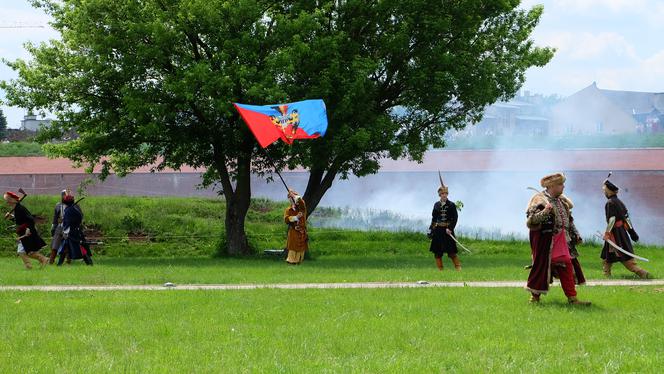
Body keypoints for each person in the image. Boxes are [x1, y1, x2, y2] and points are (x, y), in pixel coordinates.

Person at [525, 173, 590, 305]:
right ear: (551, 186)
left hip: (563, 241)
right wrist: (545, 212)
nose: (563, 186)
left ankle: (573, 298)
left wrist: (575, 234)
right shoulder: (539, 200)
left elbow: (569, 221)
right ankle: (534, 298)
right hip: (547, 242)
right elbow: (531, 221)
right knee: (541, 269)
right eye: (560, 184)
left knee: (567, 267)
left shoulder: (562, 202)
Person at [601, 178, 649, 279]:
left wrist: (607, 233)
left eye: (605, 190)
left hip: (615, 234)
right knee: (607, 255)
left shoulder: (610, 203)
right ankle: (606, 275)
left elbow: (612, 219)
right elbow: (626, 219)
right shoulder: (620, 202)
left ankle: (642, 273)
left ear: (609, 191)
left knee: (624, 258)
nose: (604, 192)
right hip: (620, 232)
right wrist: (632, 233)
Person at [4, 191, 48, 269]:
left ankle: (39, 261)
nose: (7, 203)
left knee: (25, 251)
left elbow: (30, 219)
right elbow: (20, 221)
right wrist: (11, 217)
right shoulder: (17, 209)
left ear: (12, 200)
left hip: (27, 232)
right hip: (24, 232)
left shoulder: (19, 208)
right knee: (26, 251)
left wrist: (28, 229)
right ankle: (34, 263)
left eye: (8, 201)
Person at [428, 173, 460, 271]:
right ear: (439, 195)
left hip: (447, 231)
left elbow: (455, 218)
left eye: (445, 193)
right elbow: (434, 218)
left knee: (451, 252)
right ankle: (440, 270)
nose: (444, 195)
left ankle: (458, 268)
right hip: (438, 231)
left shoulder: (451, 205)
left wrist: (450, 228)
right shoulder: (436, 205)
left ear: (447, 194)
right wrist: (431, 230)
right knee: (437, 252)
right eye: (442, 194)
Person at [57, 193, 93, 266]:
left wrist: (65, 231)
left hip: (72, 232)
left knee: (80, 248)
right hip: (75, 231)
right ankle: (59, 264)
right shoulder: (73, 209)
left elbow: (68, 222)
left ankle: (89, 263)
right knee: (64, 248)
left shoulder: (70, 210)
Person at [284, 189, 307, 265]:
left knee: (300, 250)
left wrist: (294, 195)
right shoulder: (288, 210)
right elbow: (286, 220)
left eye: (293, 198)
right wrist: (296, 217)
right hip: (293, 232)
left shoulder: (301, 208)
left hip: (301, 232)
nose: (292, 200)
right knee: (293, 248)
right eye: (290, 198)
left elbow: (301, 202)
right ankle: (291, 262)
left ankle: (298, 262)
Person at [49, 189, 68, 264]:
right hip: (59, 227)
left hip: (68, 227)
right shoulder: (58, 205)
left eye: (66, 195)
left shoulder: (72, 205)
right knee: (55, 244)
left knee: (68, 244)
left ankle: (68, 260)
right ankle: (51, 260)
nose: (64, 196)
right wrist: (53, 226)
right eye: (63, 195)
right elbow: (55, 217)